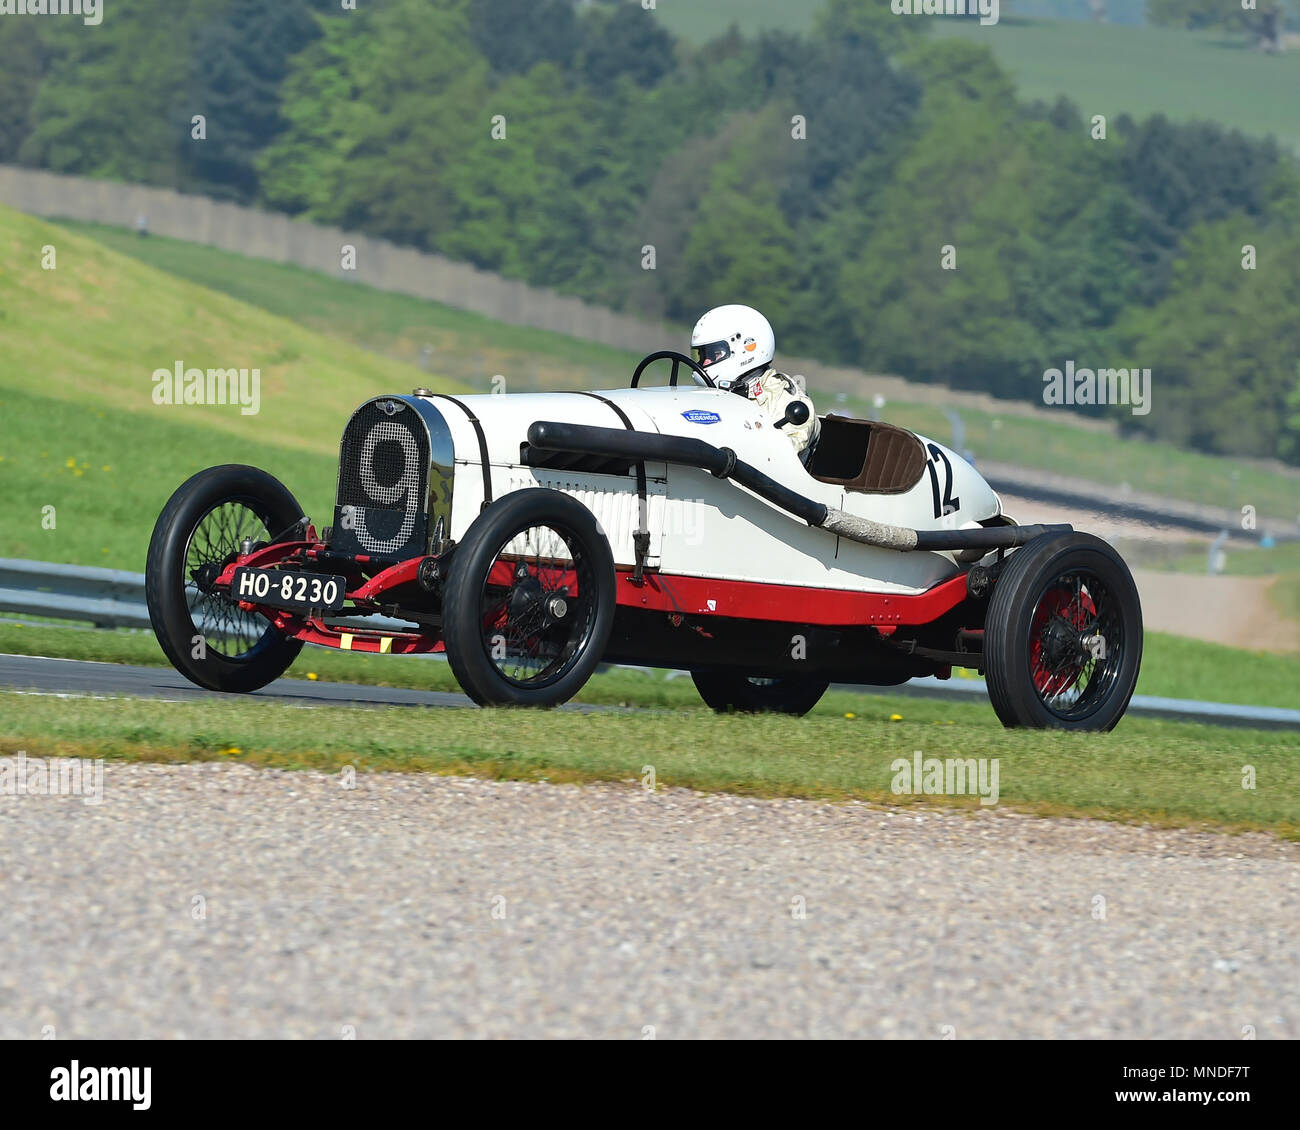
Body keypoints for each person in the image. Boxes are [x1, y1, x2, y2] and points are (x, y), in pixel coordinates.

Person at [690, 304, 819, 462]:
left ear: (745, 349)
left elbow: (779, 462)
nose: (704, 362)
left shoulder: (785, 399)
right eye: (702, 355)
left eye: (714, 354)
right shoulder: (713, 394)